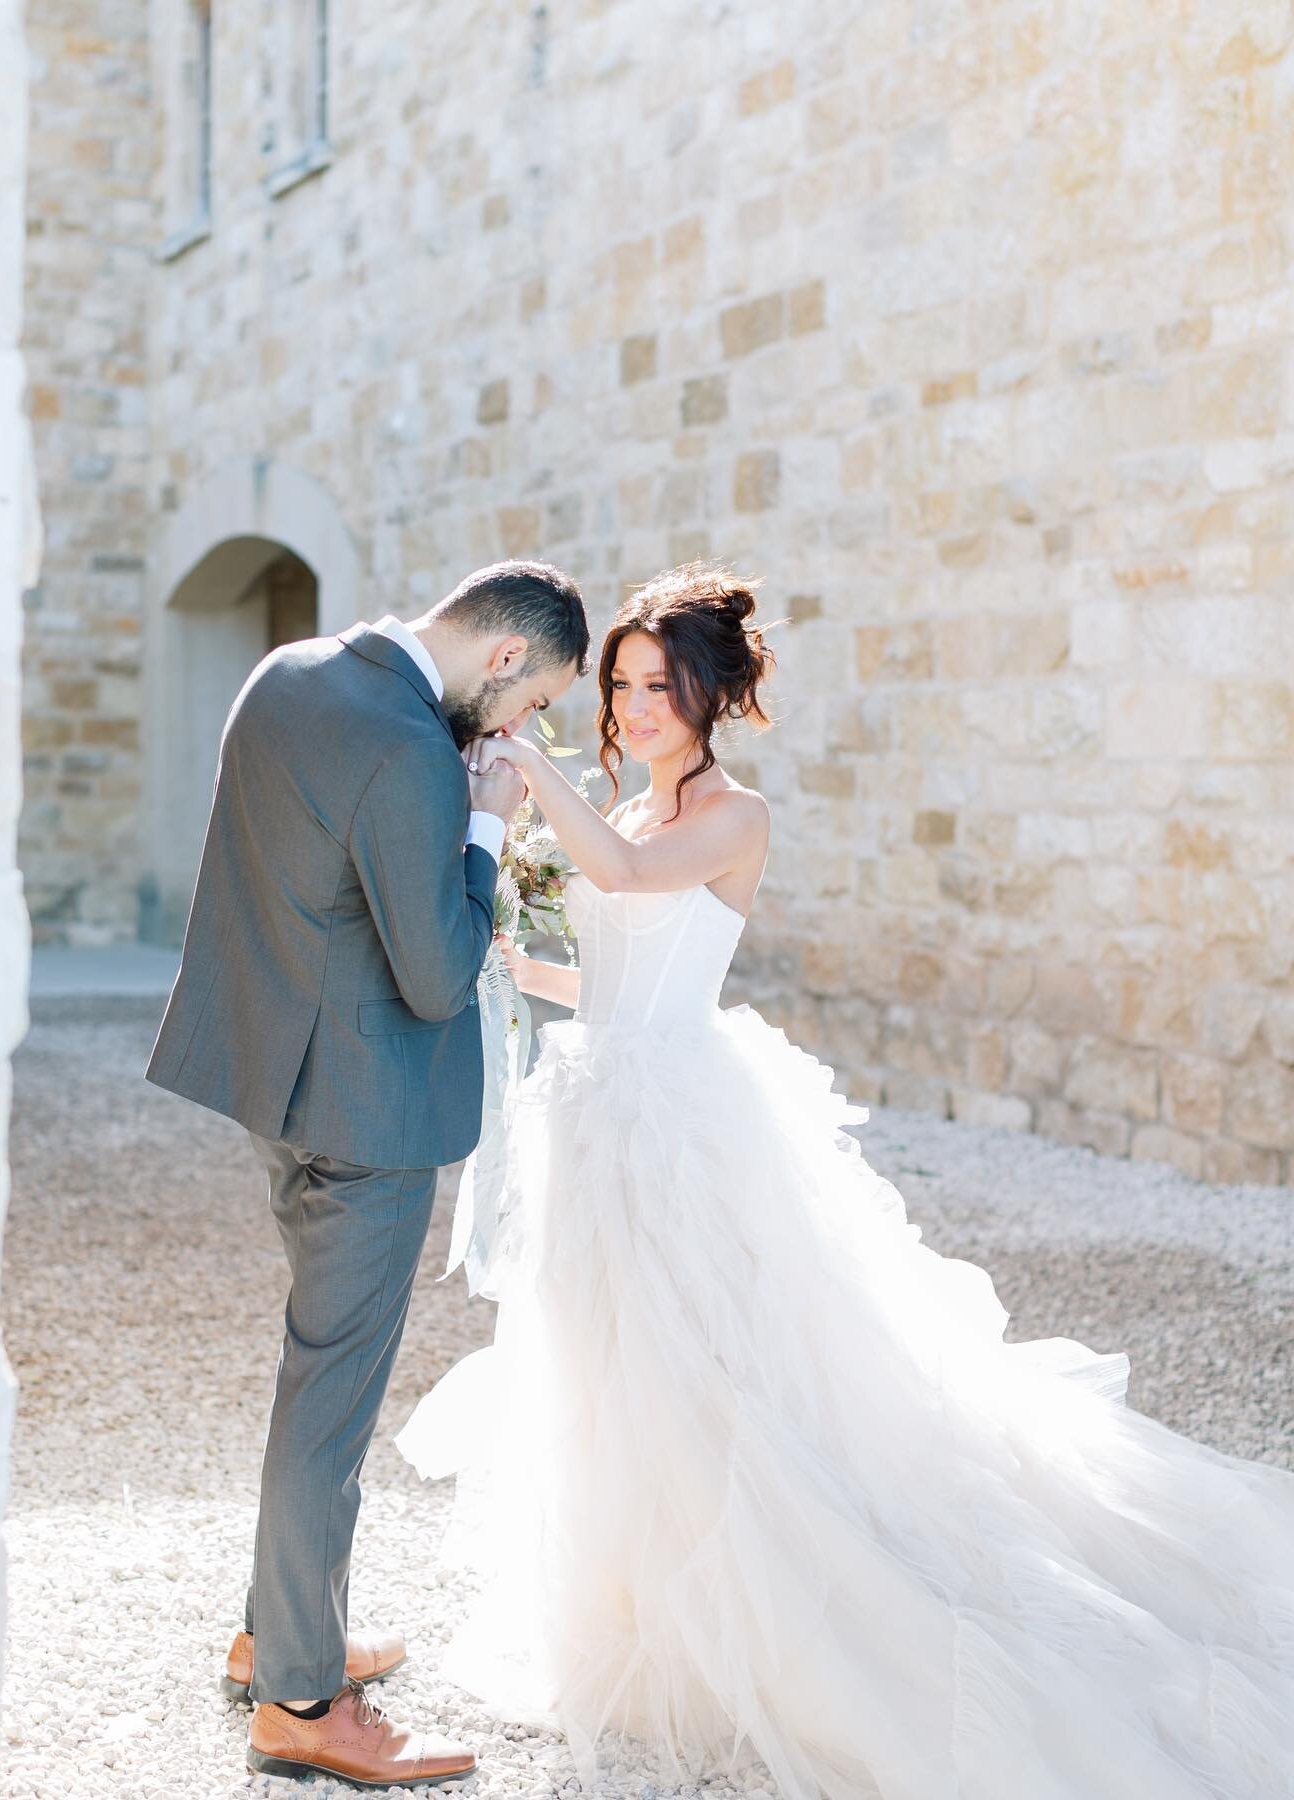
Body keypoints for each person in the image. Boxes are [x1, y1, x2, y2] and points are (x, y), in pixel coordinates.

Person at [396, 562, 1294, 1799]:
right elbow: (600, 965)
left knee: (716, 1374)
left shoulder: (732, 815)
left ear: (711, 694)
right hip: (598, 1114)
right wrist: (510, 959)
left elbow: (618, 884)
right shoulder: (635, 810)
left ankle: (782, 1621)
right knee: (615, 1374)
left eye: (659, 685)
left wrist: (520, 761)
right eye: (621, 684)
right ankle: (652, 1624)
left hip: (679, 1127)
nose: (637, 704)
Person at [145, 559, 590, 1787]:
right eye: (533, 700)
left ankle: (273, 1632)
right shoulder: (410, 748)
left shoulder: (284, 675)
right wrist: (487, 827)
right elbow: (440, 973)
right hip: (368, 1116)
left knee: (315, 1375)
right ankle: (299, 1698)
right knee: (330, 1401)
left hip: (274, 1085)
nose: (521, 728)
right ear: (504, 658)